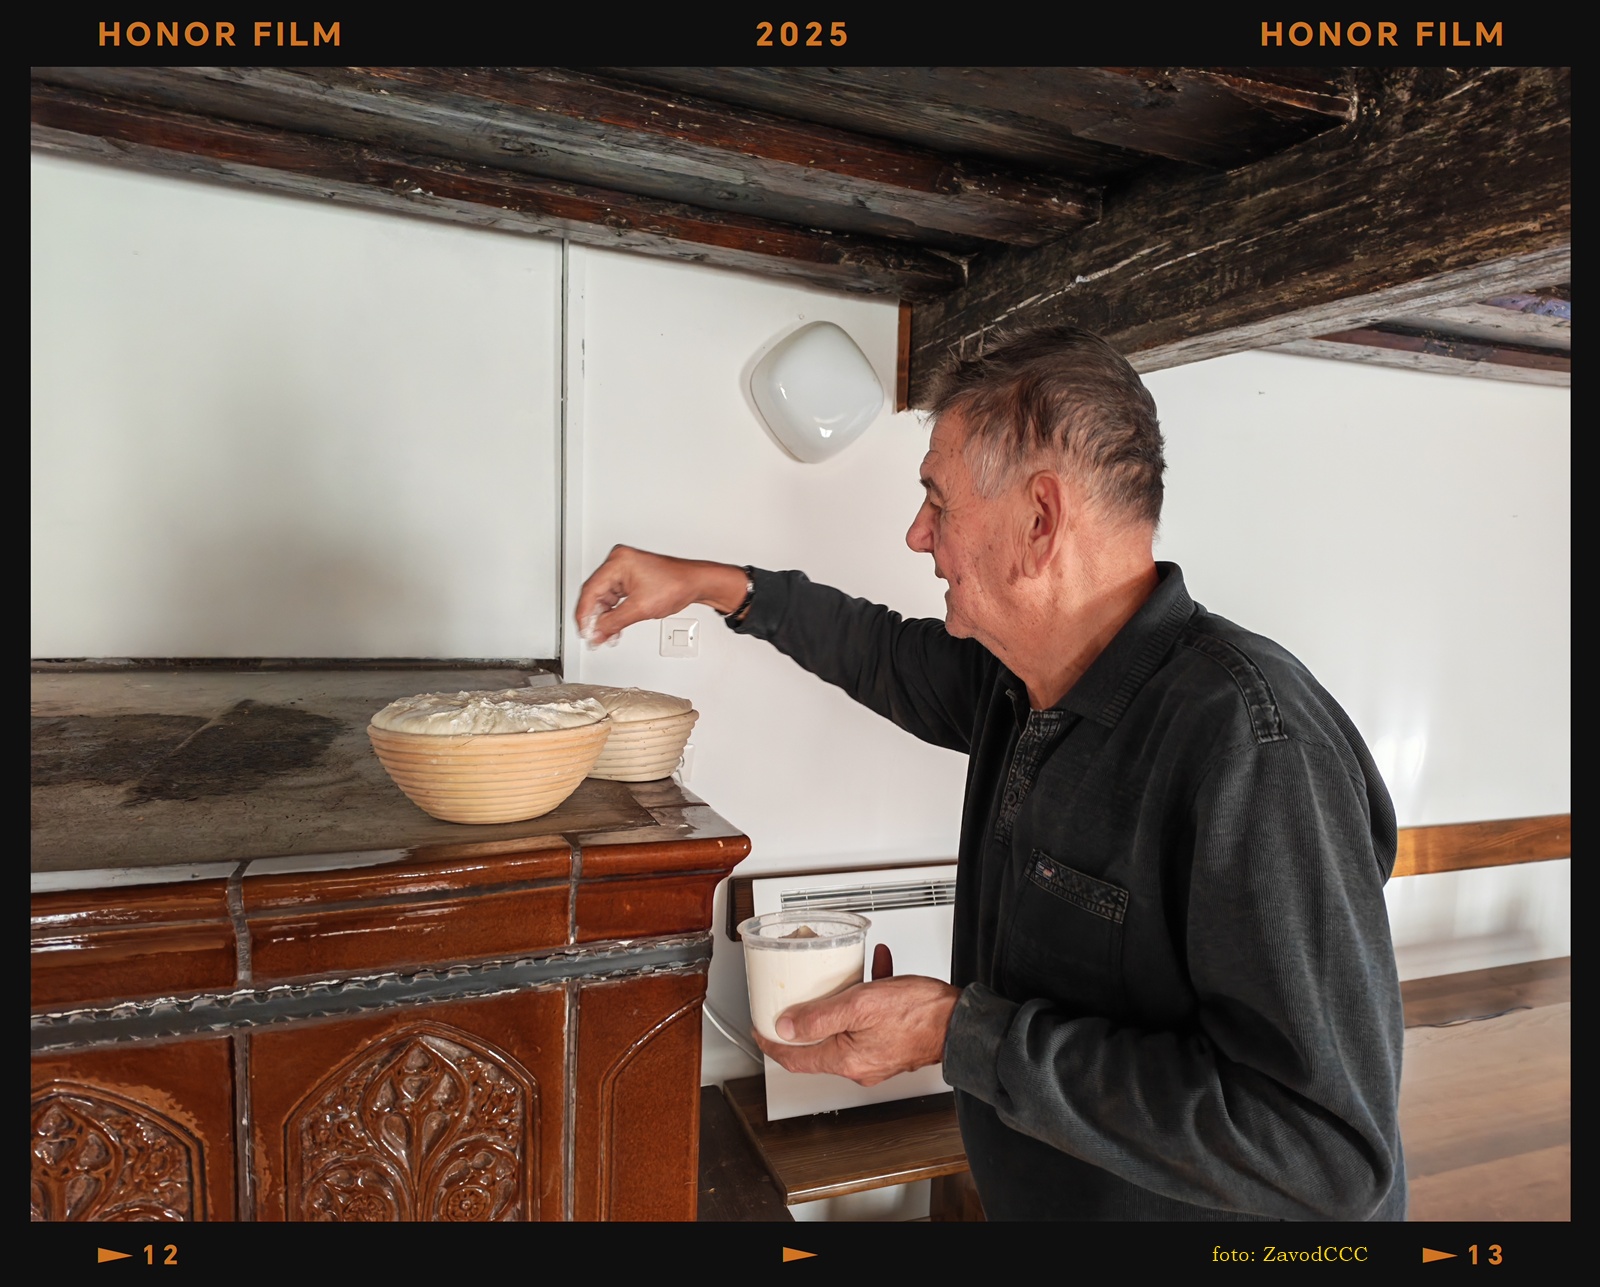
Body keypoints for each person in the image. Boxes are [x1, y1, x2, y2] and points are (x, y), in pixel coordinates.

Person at [574, 326, 1406, 1221]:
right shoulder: (1025, 683)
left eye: (937, 500)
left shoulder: (1254, 745)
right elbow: (882, 653)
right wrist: (712, 584)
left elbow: (1323, 1148)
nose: (917, 533)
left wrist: (953, 1031)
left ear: (1040, 519)